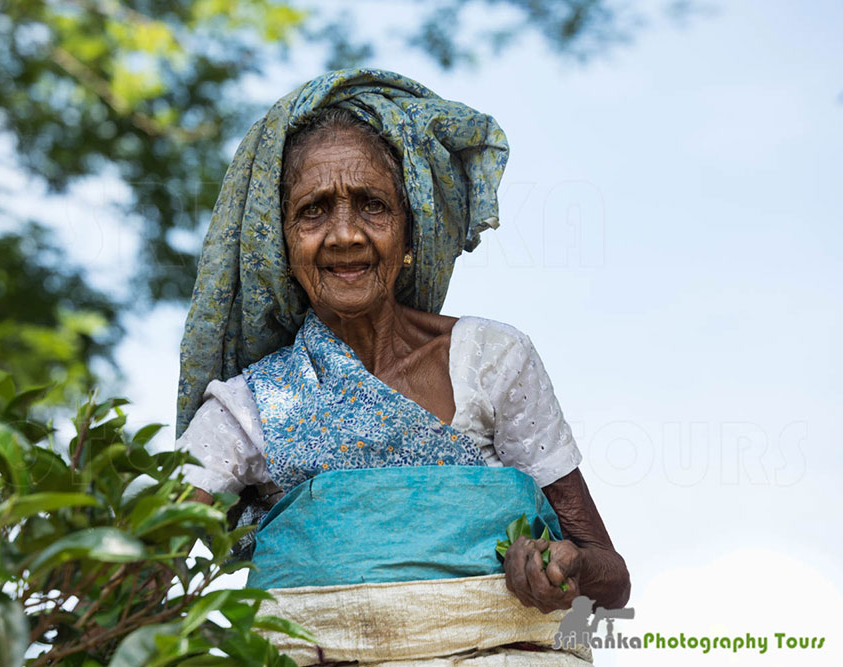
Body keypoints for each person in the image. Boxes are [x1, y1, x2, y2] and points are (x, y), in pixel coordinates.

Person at [177, 69, 629, 664]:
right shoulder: (247, 407)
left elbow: (614, 582)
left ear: (410, 230)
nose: (345, 235)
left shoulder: (493, 360)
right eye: (313, 211)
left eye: (372, 206)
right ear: (281, 246)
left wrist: (567, 565)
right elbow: (141, 556)